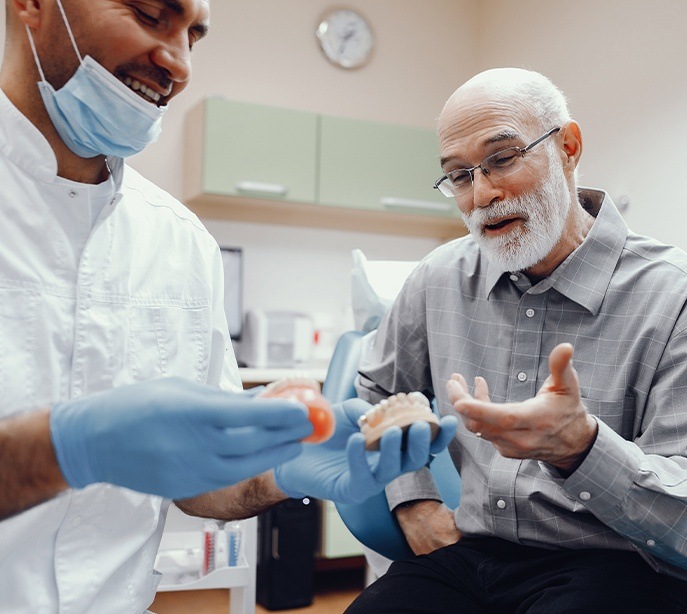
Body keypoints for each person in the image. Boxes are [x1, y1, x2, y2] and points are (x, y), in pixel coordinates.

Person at [0, 0, 458, 611]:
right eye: (148, 14)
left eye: (194, 34)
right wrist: (63, 449)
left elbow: (199, 487)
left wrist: (276, 468)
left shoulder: (179, 242)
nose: (179, 62)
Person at [348, 67, 687, 613]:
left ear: (568, 147)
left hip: (620, 563)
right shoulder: (440, 277)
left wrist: (582, 447)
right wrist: (413, 501)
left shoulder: (680, 298)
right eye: (459, 175)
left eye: (503, 158)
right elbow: (373, 392)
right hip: (473, 555)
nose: (482, 194)